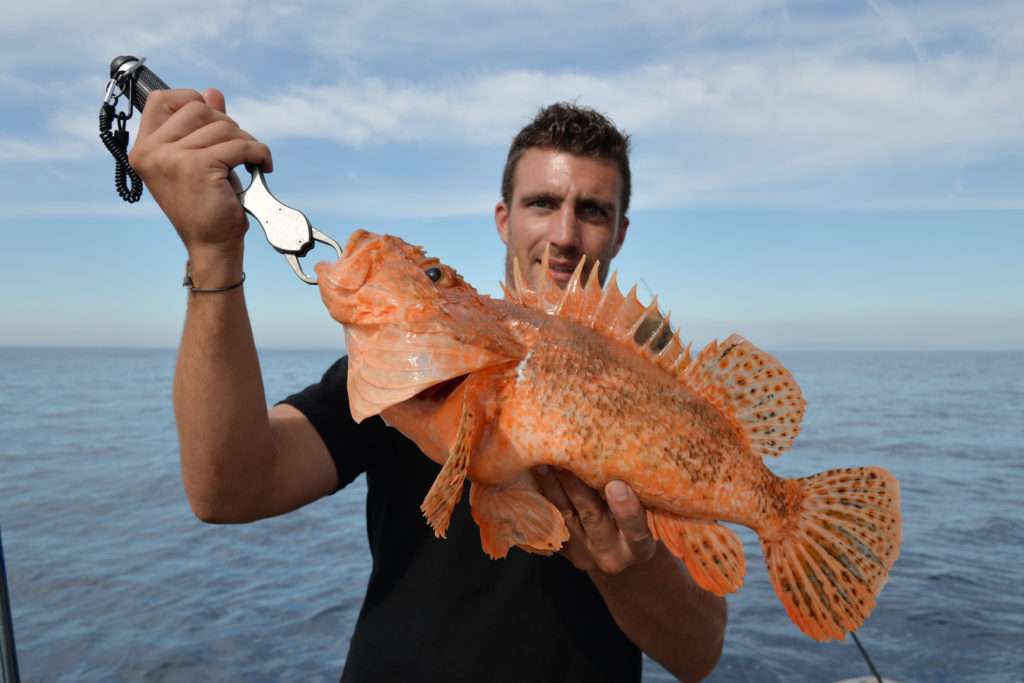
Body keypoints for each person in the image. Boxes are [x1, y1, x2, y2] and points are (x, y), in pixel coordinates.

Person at [129, 90, 727, 682]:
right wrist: (213, 252)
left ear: (619, 233)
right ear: (505, 219)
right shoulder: (410, 372)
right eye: (542, 203)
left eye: (593, 211)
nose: (565, 233)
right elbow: (228, 490)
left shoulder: (660, 398)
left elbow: (698, 654)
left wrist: (623, 563)